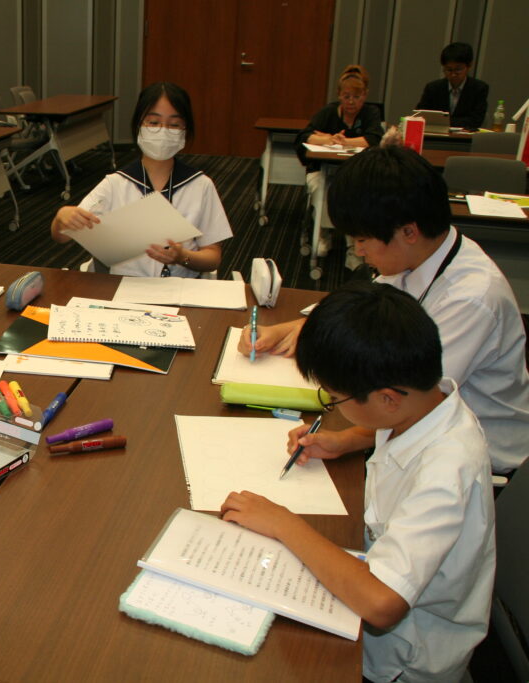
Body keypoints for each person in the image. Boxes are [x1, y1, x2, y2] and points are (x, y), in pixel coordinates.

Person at [223, 281, 494, 683]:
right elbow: (390, 427)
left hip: (400, 660)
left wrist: (283, 523)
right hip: (371, 576)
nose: (333, 407)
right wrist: (346, 440)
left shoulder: (446, 473)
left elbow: (383, 604)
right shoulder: (425, 403)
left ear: (387, 398)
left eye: (335, 399)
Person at [239, 145, 529, 474]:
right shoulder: (417, 256)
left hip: (479, 464)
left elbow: (410, 400)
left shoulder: (470, 299)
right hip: (412, 438)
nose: (358, 251)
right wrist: (284, 329)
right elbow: (362, 311)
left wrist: (345, 439)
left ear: (408, 231)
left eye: (363, 240)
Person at [49, 81, 232, 277]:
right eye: (153, 122)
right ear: (139, 126)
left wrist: (182, 257)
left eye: (174, 125)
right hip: (123, 286)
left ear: (185, 131)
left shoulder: (200, 185)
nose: (163, 130)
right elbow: (62, 237)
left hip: (178, 288)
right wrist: (61, 219)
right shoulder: (116, 184)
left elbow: (213, 257)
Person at [295, 65, 383, 261]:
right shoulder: (328, 112)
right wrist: (328, 139)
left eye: (356, 97)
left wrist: (345, 142)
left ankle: (353, 244)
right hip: (322, 171)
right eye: (346, 97)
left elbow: (374, 139)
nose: (351, 102)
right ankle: (321, 233)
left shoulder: (371, 112)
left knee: (358, 194)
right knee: (321, 189)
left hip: (358, 174)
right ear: (339, 95)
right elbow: (304, 136)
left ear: (365, 95)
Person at [416, 42, 489, 130]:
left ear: (469, 66)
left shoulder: (479, 89)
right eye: (449, 70)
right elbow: (420, 115)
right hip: (436, 134)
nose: (453, 74)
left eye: (458, 70)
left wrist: (443, 122)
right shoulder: (433, 88)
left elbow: (476, 121)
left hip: (465, 136)